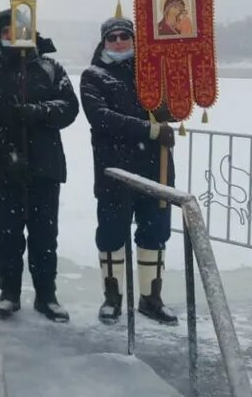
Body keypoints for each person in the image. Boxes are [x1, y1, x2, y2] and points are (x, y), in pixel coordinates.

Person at [0, 10, 79, 323]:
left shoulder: (50, 67)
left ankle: (47, 295)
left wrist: (39, 111)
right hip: (5, 167)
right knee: (8, 235)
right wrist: (5, 150)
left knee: (45, 235)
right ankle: (9, 292)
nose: (13, 36)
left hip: (46, 165)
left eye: (18, 29)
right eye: (6, 31)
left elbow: (69, 106)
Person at [80, 16, 179, 326]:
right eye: (113, 37)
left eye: (125, 36)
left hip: (155, 168)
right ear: (104, 42)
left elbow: (172, 110)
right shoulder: (94, 76)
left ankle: (151, 298)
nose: (119, 41)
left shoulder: (151, 73)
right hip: (114, 169)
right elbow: (101, 118)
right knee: (111, 234)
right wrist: (149, 130)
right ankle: (112, 298)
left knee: (155, 233)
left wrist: (175, 98)